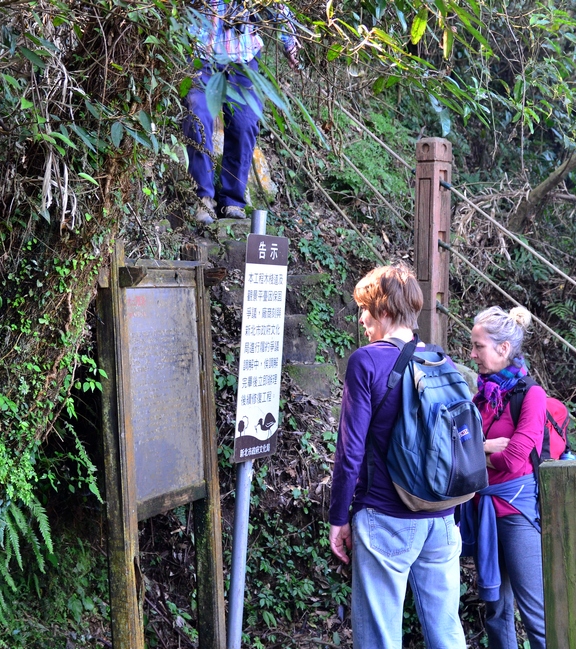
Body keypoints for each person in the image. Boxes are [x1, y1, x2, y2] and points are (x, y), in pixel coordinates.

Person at [328, 264, 467, 649]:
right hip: (442, 522)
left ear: (384, 311)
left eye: (365, 309)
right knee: (447, 633)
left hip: (385, 519)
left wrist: (339, 517)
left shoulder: (366, 361)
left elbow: (350, 450)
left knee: (379, 638)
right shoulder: (442, 361)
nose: (361, 319)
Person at [462, 306, 547, 649]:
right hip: (484, 511)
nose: (471, 354)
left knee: (535, 614)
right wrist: (483, 447)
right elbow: (458, 450)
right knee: (496, 611)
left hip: (515, 512)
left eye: (478, 346)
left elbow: (513, 460)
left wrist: (476, 451)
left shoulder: (532, 396)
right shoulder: (481, 396)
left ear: (503, 349)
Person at [184, 1, 301, 224]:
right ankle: (203, 197)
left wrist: (289, 42)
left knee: (244, 123)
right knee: (198, 116)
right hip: (200, 52)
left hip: (243, 57)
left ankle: (233, 200)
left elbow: (275, 5)